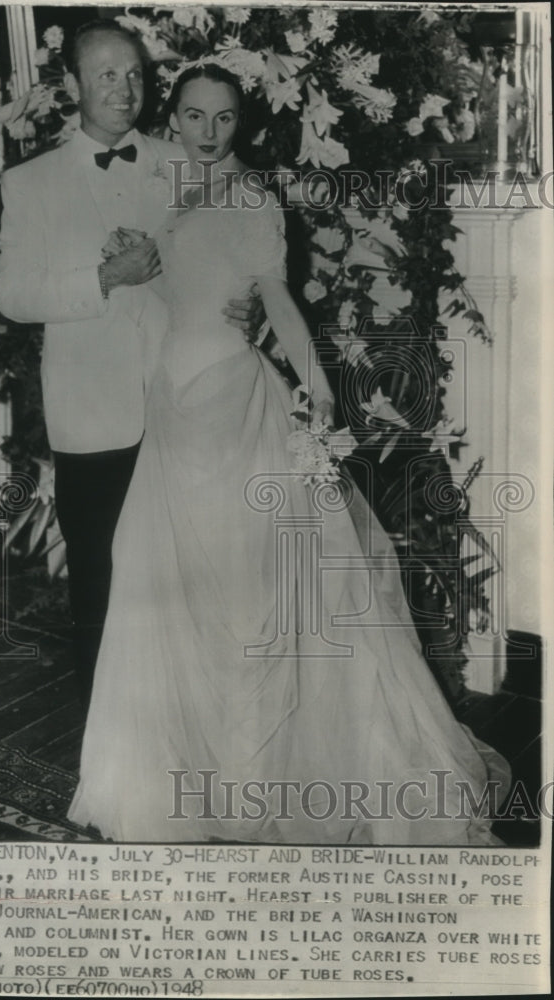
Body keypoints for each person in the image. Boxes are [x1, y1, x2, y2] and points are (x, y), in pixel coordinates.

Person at [68, 65, 510, 844]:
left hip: (235, 405)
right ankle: (186, 777)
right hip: (171, 415)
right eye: (195, 116)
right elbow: (150, 293)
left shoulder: (253, 199)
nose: (209, 132)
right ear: (172, 118)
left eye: (225, 119)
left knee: (252, 591)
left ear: (242, 125)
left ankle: (267, 777)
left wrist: (317, 392)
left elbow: (280, 303)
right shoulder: (157, 193)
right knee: (167, 586)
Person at [0, 22, 259, 709]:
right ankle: (108, 748)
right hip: (94, 414)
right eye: (106, 74)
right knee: (100, 582)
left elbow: (230, 269)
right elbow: (12, 294)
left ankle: (190, 717)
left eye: (134, 74)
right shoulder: (29, 183)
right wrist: (104, 277)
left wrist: (244, 309)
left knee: (190, 568)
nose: (124, 88)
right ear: (72, 87)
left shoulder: (186, 164)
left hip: (188, 404)